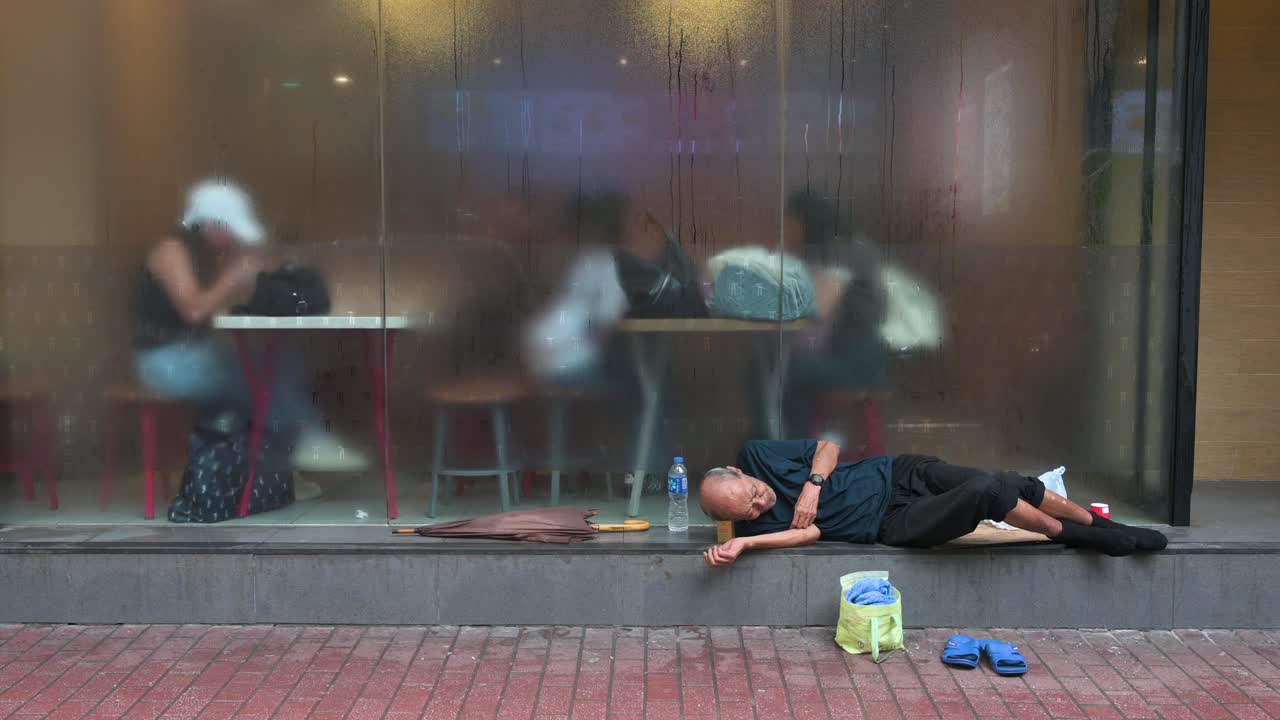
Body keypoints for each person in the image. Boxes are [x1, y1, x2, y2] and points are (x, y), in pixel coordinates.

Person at [131, 179, 367, 494]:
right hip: (166, 363)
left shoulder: (203, 254)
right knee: (266, 375)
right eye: (229, 229)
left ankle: (281, 470)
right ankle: (301, 450)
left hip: (193, 354)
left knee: (278, 365)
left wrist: (256, 269)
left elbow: (226, 297)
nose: (232, 239)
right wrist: (232, 278)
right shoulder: (171, 251)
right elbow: (194, 310)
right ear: (210, 223)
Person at [698, 439, 1168, 567]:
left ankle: (1104, 526)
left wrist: (813, 484)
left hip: (897, 471)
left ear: (739, 473)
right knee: (985, 493)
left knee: (1008, 481)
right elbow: (812, 532)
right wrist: (747, 546)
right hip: (894, 522)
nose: (761, 504)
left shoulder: (757, 454)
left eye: (754, 493)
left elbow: (829, 446)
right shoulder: (749, 527)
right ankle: (1077, 536)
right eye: (752, 512)